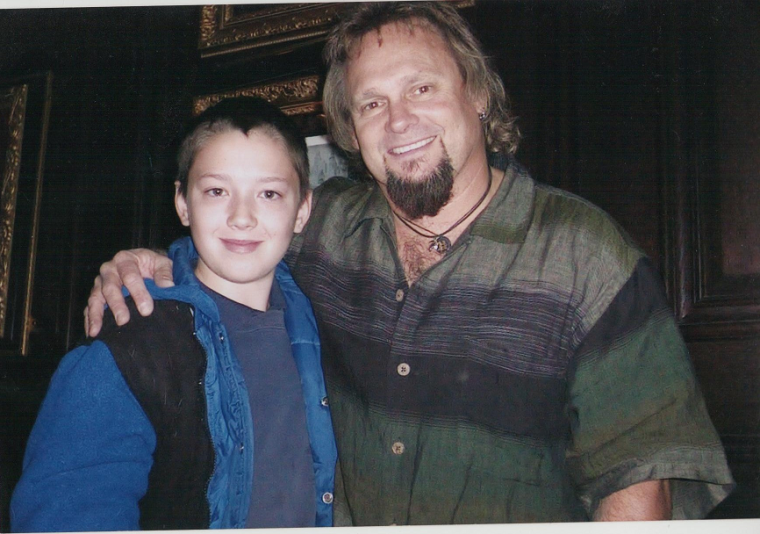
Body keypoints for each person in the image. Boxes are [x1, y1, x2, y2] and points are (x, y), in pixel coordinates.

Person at [85, 2, 734, 525]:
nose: (399, 121)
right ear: (349, 128)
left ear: (476, 94)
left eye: (421, 87)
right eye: (371, 103)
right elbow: (230, 244)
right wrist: (150, 261)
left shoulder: (586, 258)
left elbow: (640, 492)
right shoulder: (322, 229)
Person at [12, 97, 337, 531]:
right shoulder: (134, 339)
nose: (242, 217)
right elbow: (66, 514)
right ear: (183, 203)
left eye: (269, 193)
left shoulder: (324, 317)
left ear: (302, 211)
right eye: (217, 191)